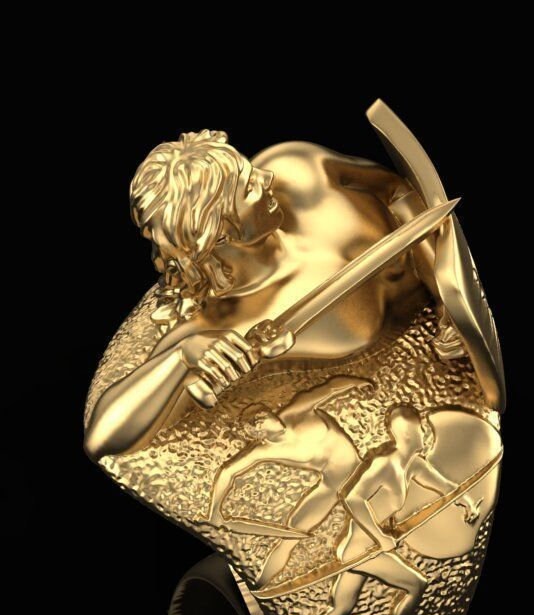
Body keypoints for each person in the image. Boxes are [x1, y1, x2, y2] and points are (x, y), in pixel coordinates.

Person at [83, 129, 421, 462]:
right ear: (216, 234)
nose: (266, 177)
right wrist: (180, 358)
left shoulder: (294, 169)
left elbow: (401, 191)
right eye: (248, 187)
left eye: (250, 172)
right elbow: (101, 438)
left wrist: (443, 279)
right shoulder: (222, 325)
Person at [283, 405, 479, 615]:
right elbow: (353, 499)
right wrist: (380, 537)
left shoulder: (413, 465)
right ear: (407, 433)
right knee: (417, 584)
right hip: (361, 551)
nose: (424, 433)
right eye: (420, 429)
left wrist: (466, 501)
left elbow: (444, 486)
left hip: (366, 550)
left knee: (339, 610)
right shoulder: (384, 464)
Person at [208, 376, 371, 588]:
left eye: (265, 411)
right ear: (257, 430)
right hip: (334, 485)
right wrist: (214, 512)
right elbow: (227, 472)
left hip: (364, 472)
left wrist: (356, 382)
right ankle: (261, 586)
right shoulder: (263, 450)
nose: (269, 414)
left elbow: (329, 387)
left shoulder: (297, 410)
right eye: (260, 417)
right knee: (292, 534)